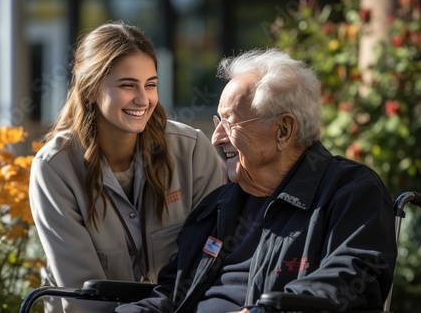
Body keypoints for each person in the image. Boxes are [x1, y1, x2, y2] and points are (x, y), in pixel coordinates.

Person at [114, 48, 397, 313]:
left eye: (230, 122)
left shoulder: (350, 192)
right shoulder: (219, 205)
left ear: (283, 130)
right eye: (217, 122)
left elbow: (349, 281)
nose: (216, 137)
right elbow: (172, 294)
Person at [28, 20, 226, 313]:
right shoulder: (54, 169)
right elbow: (84, 299)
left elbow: (216, 260)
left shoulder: (193, 150)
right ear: (91, 89)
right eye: (127, 85)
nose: (143, 99)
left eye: (151, 84)